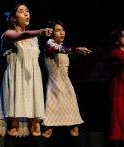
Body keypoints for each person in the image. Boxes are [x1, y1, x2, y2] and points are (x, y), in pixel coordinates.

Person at [0, 3, 53, 147]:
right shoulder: (7, 34)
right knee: (13, 126)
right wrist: (41, 31)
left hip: (33, 83)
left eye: (27, 11)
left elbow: (29, 37)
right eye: (21, 12)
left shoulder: (34, 39)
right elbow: (22, 34)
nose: (26, 14)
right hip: (15, 81)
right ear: (14, 18)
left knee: (36, 126)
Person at [41, 19, 92, 147]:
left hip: (67, 90)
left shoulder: (62, 47)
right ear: (52, 33)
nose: (62, 33)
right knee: (48, 129)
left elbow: (63, 50)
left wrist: (76, 50)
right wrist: (77, 50)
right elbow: (60, 49)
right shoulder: (49, 44)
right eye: (58, 30)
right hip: (54, 90)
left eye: (63, 30)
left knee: (74, 128)